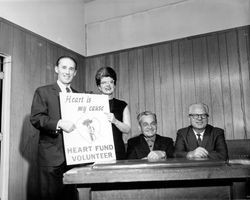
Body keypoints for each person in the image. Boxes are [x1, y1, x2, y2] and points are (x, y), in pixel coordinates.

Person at [30, 56, 78, 200]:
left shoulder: (78, 95)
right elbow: (36, 118)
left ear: (75, 72)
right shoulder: (43, 91)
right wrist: (59, 123)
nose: (67, 72)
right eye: (64, 67)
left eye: (71, 69)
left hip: (74, 158)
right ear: (56, 69)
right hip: (51, 157)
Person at [95, 67, 131, 160]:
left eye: (111, 82)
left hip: (117, 150)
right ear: (99, 87)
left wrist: (115, 121)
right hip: (97, 151)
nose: (108, 85)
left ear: (114, 85)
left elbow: (127, 129)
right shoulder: (92, 103)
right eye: (104, 82)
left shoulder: (122, 105)